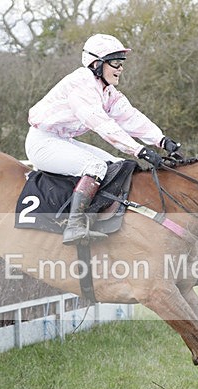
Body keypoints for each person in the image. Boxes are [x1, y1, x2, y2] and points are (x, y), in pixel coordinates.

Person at [26, 33, 181, 245]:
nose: (121, 68)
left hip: (63, 141)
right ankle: (74, 225)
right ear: (97, 64)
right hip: (42, 143)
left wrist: (162, 140)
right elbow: (102, 125)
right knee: (96, 167)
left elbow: (130, 117)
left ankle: (99, 218)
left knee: (116, 165)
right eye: (115, 62)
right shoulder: (81, 84)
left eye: (122, 63)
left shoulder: (107, 91)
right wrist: (139, 150)